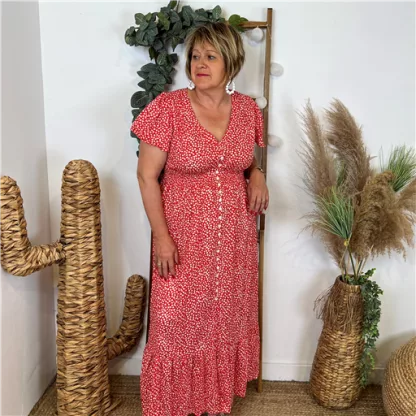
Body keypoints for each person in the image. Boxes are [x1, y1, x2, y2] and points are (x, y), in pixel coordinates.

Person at [131, 21, 269, 416]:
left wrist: (257, 174)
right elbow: (146, 176)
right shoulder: (168, 109)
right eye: (195, 56)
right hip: (182, 238)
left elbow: (245, 159)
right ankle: (172, 403)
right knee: (176, 323)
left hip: (234, 243)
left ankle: (213, 399)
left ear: (231, 63)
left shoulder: (247, 110)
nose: (200, 64)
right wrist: (161, 237)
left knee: (224, 320)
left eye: (211, 56)